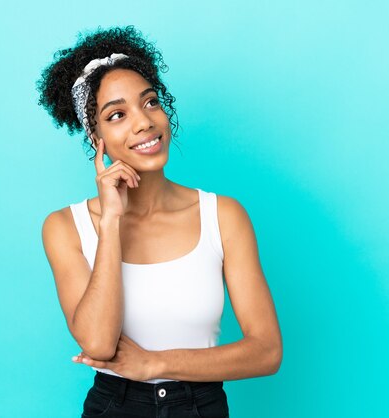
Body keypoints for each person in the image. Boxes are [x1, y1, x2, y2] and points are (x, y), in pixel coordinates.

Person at [37, 25, 282, 418]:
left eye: (150, 103)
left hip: (200, 406)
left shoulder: (223, 216)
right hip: (114, 406)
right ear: (95, 136)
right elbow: (98, 344)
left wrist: (155, 363)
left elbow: (267, 351)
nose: (143, 122)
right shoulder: (65, 227)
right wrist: (111, 221)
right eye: (117, 114)